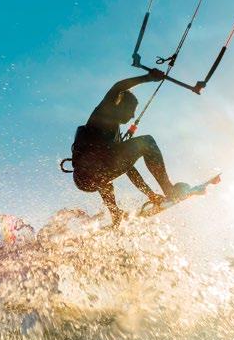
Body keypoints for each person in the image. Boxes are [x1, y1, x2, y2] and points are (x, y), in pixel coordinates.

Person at [71, 69, 189, 226]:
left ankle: (115, 214)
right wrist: (148, 77)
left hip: (87, 178)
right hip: (90, 171)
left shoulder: (115, 136)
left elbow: (128, 169)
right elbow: (118, 87)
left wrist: (150, 194)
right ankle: (169, 189)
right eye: (132, 110)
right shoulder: (104, 113)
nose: (133, 115)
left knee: (104, 178)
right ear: (120, 105)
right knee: (147, 142)